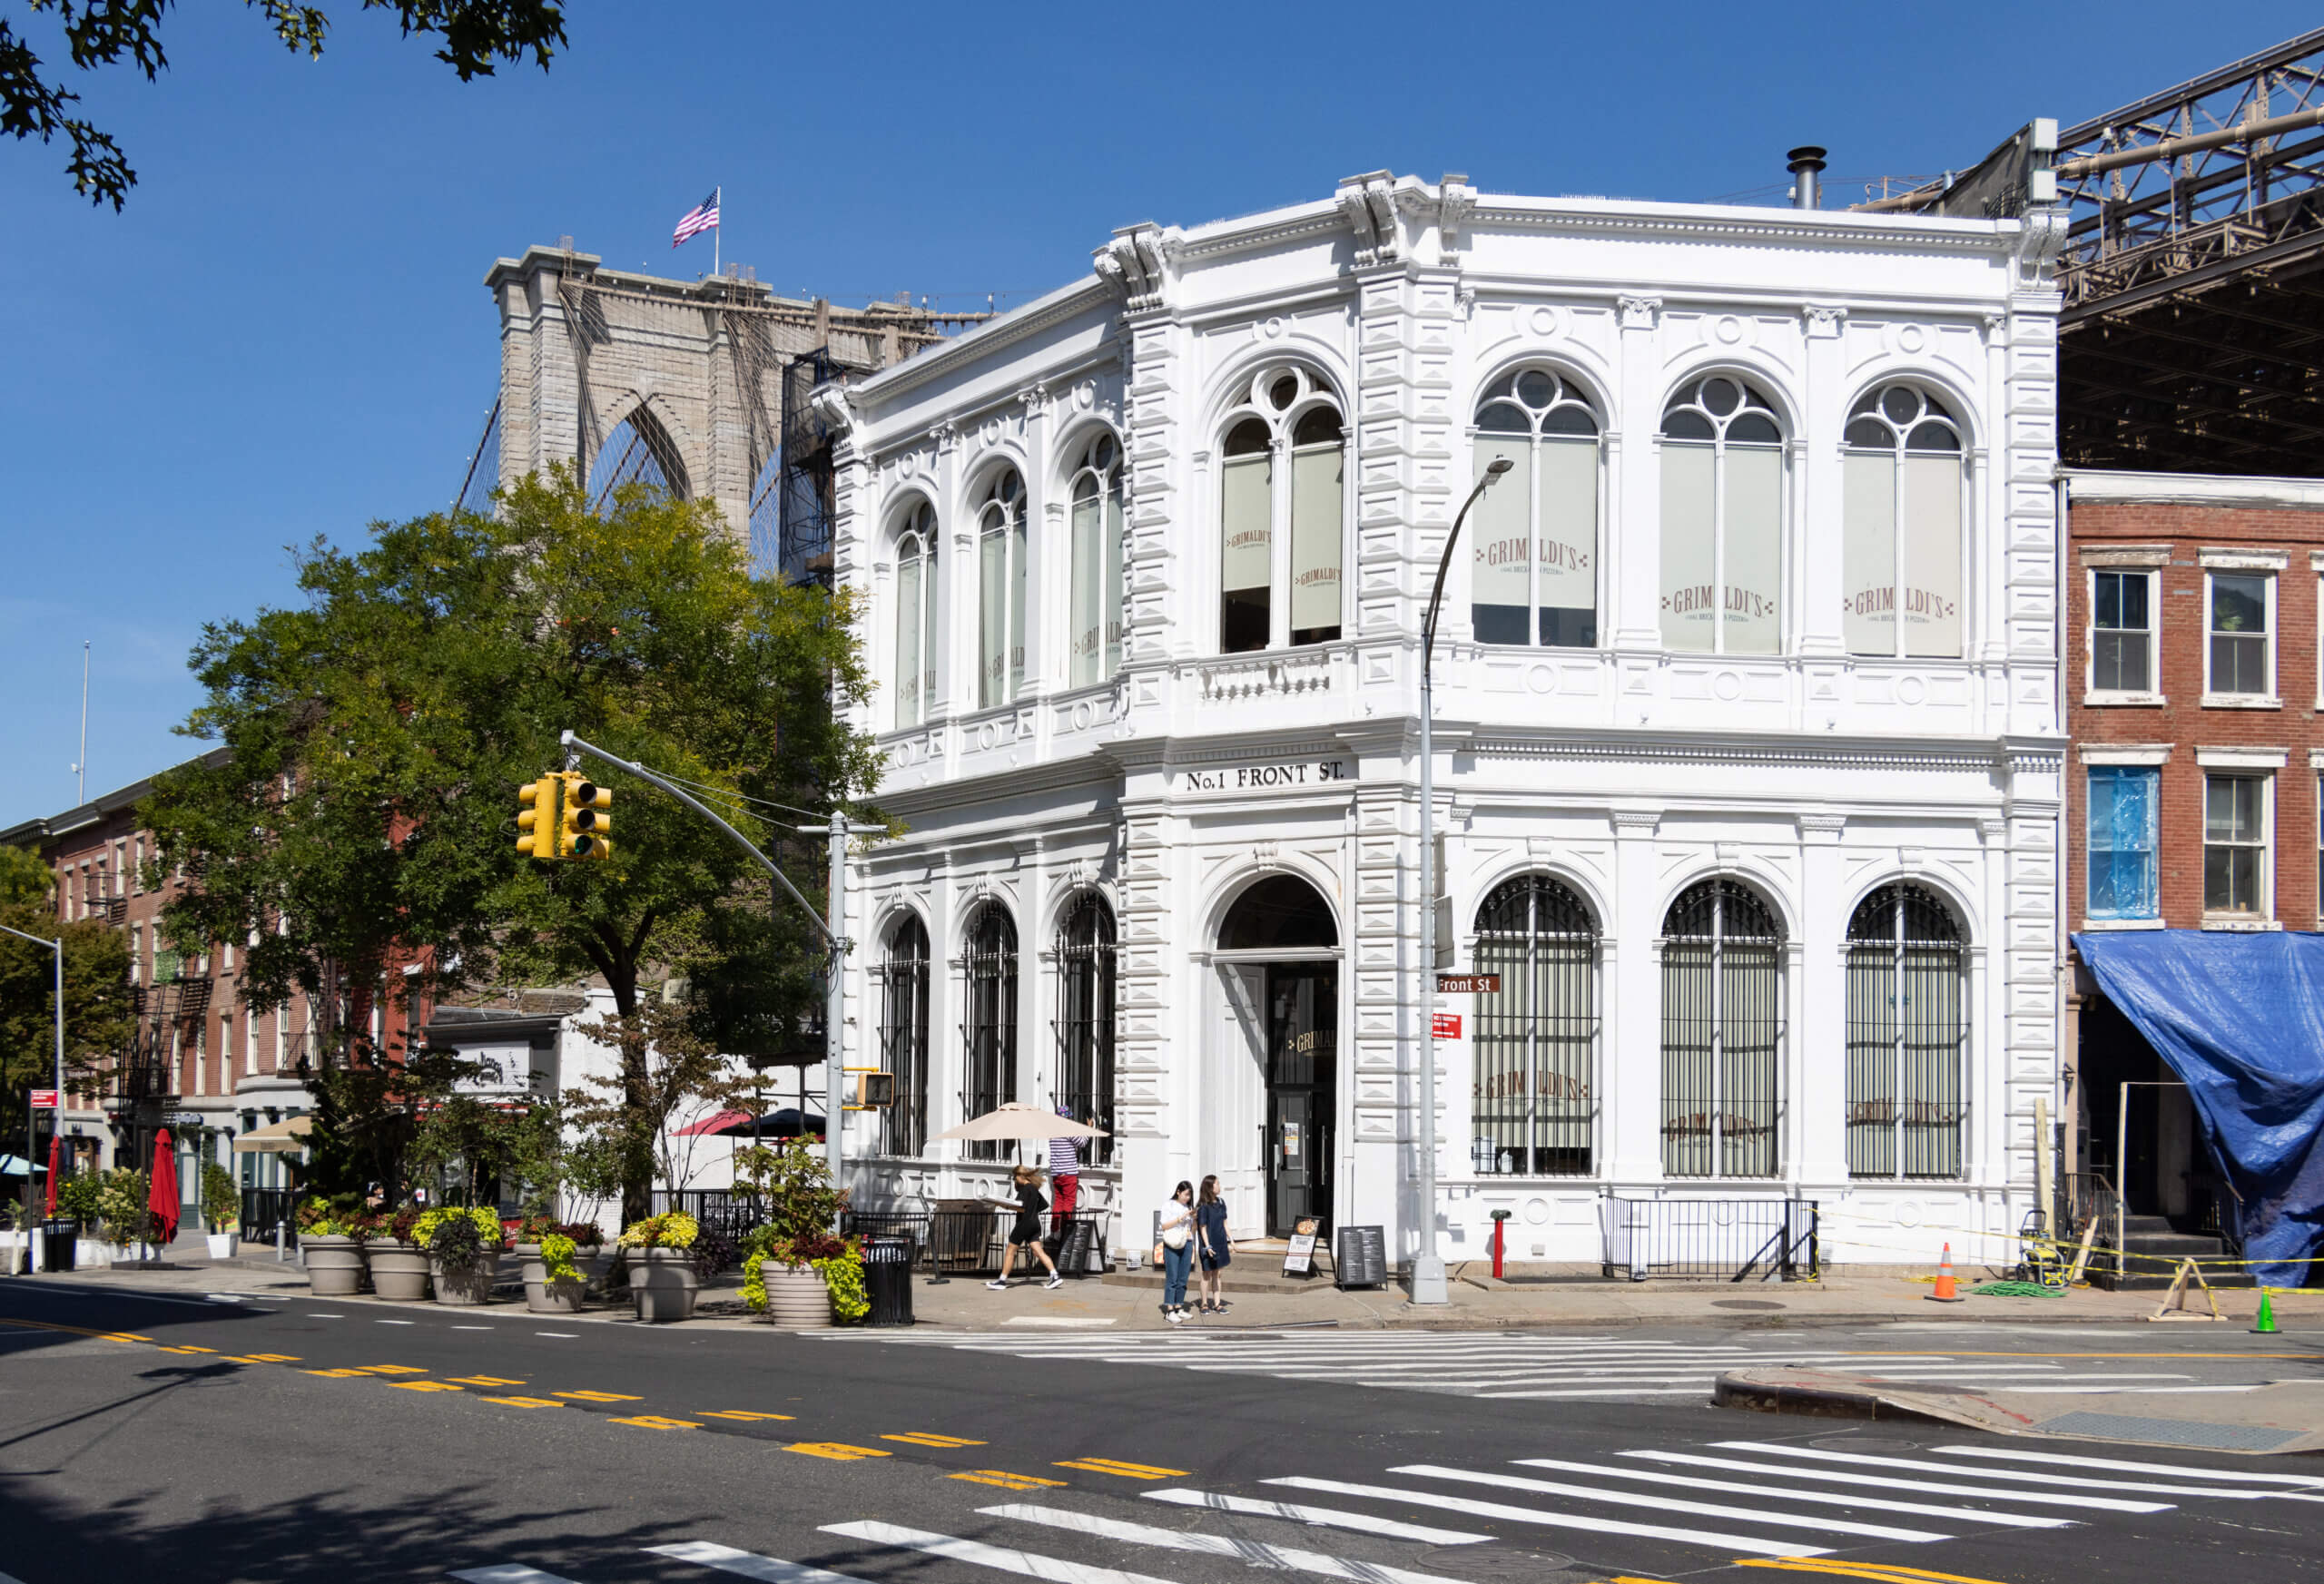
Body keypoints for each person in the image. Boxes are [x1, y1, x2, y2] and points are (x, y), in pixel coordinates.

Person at [987, 1165, 1062, 1291]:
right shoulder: (1034, 1188)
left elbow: (1020, 1207)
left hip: (1024, 1223)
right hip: (1035, 1223)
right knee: (1038, 1251)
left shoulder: (1025, 1189)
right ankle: (1055, 1275)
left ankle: (1002, 1281)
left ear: (1020, 1176)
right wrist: (1031, 1210)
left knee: (1010, 1250)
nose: (1015, 1180)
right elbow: (1043, 1205)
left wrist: (1004, 1205)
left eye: (1015, 1177)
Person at [1156, 1179, 1196, 1323]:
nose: (1187, 1198)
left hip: (1187, 1242)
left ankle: (1179, 1307)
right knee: (1172, 1277)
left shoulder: (1188, 1207)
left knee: (1183, 1278)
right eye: (1185, 1194)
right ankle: (1169, 1310)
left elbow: (1191, 1229)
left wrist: (1194, 1219)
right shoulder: (1169, 1205)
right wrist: (1181, 1218)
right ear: (1178, 1192)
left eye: (1189, 1195)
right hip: (1172, 1242)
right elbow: (1165, 1225)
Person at [1193, 1174, 1232, 1315]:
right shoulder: (1203, 1206)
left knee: (1218, 1274)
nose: (1219, 1186)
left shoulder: (1221, 1203)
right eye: (1217, 1183)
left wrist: (1231, 1240)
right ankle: (1204, 1303)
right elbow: (1202, 1228)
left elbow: (1225, 1223)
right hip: (1209, 1245)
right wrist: (1207, 1246)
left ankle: (1217, 1303)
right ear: (1210, 1187)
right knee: (1206, 1274)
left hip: (1221, 1242)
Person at [1047, 1107, 1080, 1241]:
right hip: (1068, 1173)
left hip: (1056, 1173)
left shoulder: (1052, 1133)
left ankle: (1055, 1231)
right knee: (1069, 1202)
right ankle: (1066, 1229)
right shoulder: (1068, 1130)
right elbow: (1082, 1142)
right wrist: (1088, 1128)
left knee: (1058, 1202)